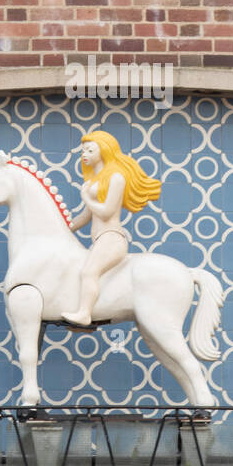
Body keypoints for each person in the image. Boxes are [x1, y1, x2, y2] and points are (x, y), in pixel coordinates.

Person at [61, 130, 162, 327]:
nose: (85, 155)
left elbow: (106, 212)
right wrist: (64, 229)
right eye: (83, 151)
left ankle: (84, 314)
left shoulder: (116, 177)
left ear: (104, 150)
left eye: (90, 150)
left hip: (111, 238)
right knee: (83, 273)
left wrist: (87, 198)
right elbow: (86, 216)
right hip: (100, 239)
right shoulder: (93, 181)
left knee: (88, 272)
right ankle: (87, 322)